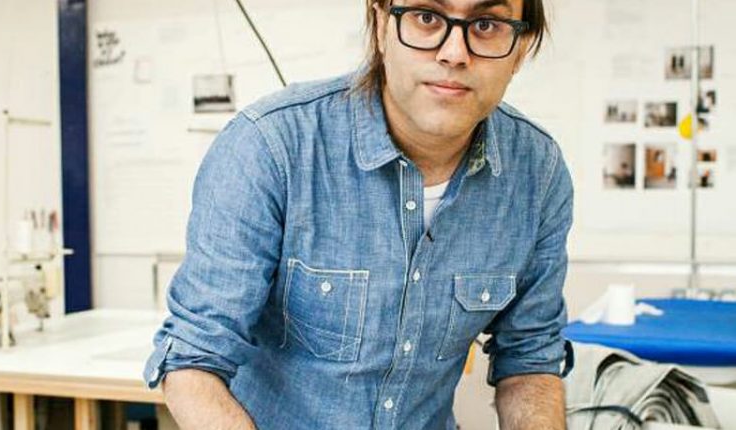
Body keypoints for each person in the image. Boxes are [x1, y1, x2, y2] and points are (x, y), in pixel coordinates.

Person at [143, 0, 574, 428]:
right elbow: (193, 362)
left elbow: (530, 361)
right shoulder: (270, 147)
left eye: (486, 24)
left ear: (521, 47)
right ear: (381, 23)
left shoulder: (538, 171)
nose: (454, 53)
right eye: (426, 17)